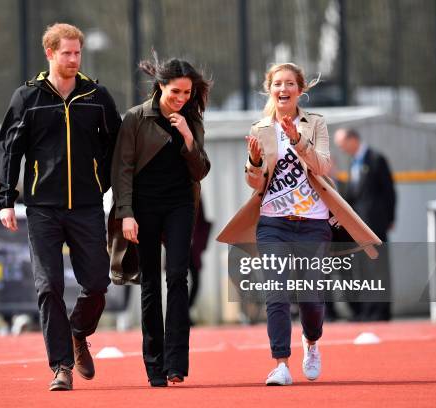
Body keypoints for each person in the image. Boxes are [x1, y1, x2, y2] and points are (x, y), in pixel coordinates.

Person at [217, 63, 381, 386]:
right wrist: (252, 162)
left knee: (310, 297)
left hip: (313, 223)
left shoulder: (316, 123)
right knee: (276, 292)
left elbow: (323, 166)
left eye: (289, 83)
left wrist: (298, 142)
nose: (283, 89)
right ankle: (281, 363)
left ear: (300, 90)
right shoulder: (260, 128)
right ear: (270, 89)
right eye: (277, 83)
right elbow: (255, 182)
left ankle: (311, 341)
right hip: (273, 222)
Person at [0, 23, 121, 391]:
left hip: (86, 205)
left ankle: (78, 332)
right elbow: (9, 149)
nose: (73, 59)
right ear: (50, 53)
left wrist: (104, 182)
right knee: (48, 285)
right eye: (66, 53)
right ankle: (61, 366)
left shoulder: (96, 96)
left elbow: (116, 145)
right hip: (43, 207)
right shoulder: (27, 97)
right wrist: (6, 199)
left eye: (77, 53)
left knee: (97, 283)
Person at [110, 55, 211, 387]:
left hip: (181, 204)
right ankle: (155, 365)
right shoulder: (136, 118)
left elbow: (200, 170)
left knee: (178, 276)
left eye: (187, 93)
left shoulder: (192, 117)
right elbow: (122, 170)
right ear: (160, 87)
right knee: (151, 282)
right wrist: (126, 213)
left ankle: (176, 363)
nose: (182, 98)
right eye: (176, 92)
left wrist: (187, 137)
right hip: (144, 206)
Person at [334, 128, 396, 321]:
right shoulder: (354, 163)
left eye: (343, 144)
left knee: (378, 268)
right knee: (364, 270)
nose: (342, 149)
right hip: (359, 228)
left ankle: (381, 311)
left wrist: (390, 219)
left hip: (375, 225)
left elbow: (389, 192)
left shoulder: (376, 159)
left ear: (353, 140)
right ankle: (368, 311)